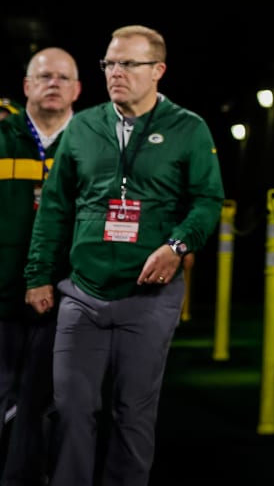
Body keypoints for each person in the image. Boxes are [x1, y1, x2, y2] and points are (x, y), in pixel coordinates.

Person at [25, 25, 224, 486]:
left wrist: (178, 246)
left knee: (132, 412)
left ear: (158, 71)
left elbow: (207, 200)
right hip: (83, 293)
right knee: (71, 407)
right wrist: (38, 276)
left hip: (149, 297)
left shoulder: (187, 129)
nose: (115, 73)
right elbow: (55, 206)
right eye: (109, 64)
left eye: (127, 64)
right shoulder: (85, 126)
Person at [0, 48, 80, 485]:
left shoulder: (92, 141)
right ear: (27, 86)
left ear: (77, 90)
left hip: (64, 300)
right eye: (44, 76)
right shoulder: (1, 136)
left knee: (40, 405)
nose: (53, 83)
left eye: (63, 77)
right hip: (2, 297)